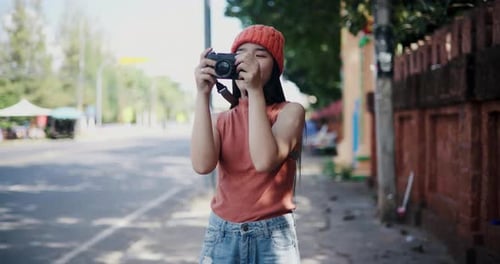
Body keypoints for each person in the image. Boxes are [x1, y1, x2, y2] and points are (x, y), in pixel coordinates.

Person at [191, 24, 305, 264]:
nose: (248, 62)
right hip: (221, 234)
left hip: (272, 238)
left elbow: (264, 160)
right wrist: (202, 94)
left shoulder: (289, 113)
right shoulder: (220, 120)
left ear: (275, 69)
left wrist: (254, 91)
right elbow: (202, 165)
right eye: (241, 54)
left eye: (260, 56)